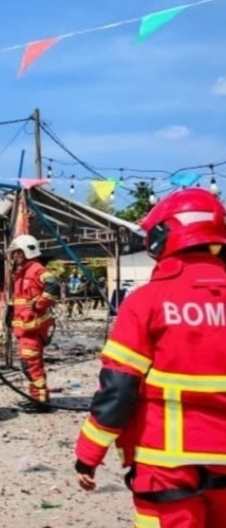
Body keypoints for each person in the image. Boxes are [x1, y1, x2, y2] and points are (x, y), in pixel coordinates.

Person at [74, 188, 226, 527]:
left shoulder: (147, 302)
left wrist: (89, 453)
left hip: (167, 465)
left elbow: (118, 390)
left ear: (163, 235)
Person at [8, 234, 60, 413]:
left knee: (30, 363)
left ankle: (41, 401)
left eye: (18, 252)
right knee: (31, 364)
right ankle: (37, 397)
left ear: (27, 251)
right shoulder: (23, 272)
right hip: (26, 327)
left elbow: (53, 285)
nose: (15, 256)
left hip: (33, 326)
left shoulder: (36, 269)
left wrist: (39, 304)